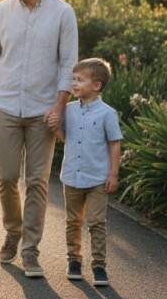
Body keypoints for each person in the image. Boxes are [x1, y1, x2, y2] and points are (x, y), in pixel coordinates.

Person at [0, 0, 78, 277]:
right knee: (6, 177)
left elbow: (68, 65)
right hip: (5, 105)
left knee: (37, 182)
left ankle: (30, 251)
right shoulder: (2, 11)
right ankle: (13, 230)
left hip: (43, 111)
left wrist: (59, 107)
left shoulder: (63, 13)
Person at [48, 58, 122, 287]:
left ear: (96, 85)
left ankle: (99, 265)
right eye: (73, 79)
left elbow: (114, 144)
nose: (74, 84)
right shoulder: (69, 110)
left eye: (79, 80)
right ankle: (74, 261)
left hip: (97, 179)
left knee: (96, 222)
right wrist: (55, 128)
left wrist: (113, 174)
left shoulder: (107, 114)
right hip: (72, 177)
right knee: (72, 221)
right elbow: (66, 138)